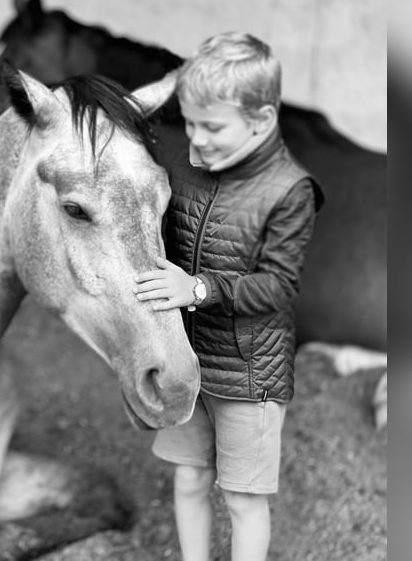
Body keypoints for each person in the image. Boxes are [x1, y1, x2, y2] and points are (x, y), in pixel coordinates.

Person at [133, 31, 324, 561]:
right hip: (191, 362)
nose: (196, 139)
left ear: (261, 120)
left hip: (248, 374)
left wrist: (196, 289)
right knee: (188, 480)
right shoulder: (189, 166)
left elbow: (279, 288)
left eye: (213, 127)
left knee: (242, 497)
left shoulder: (290, 191)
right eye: (190, 123)